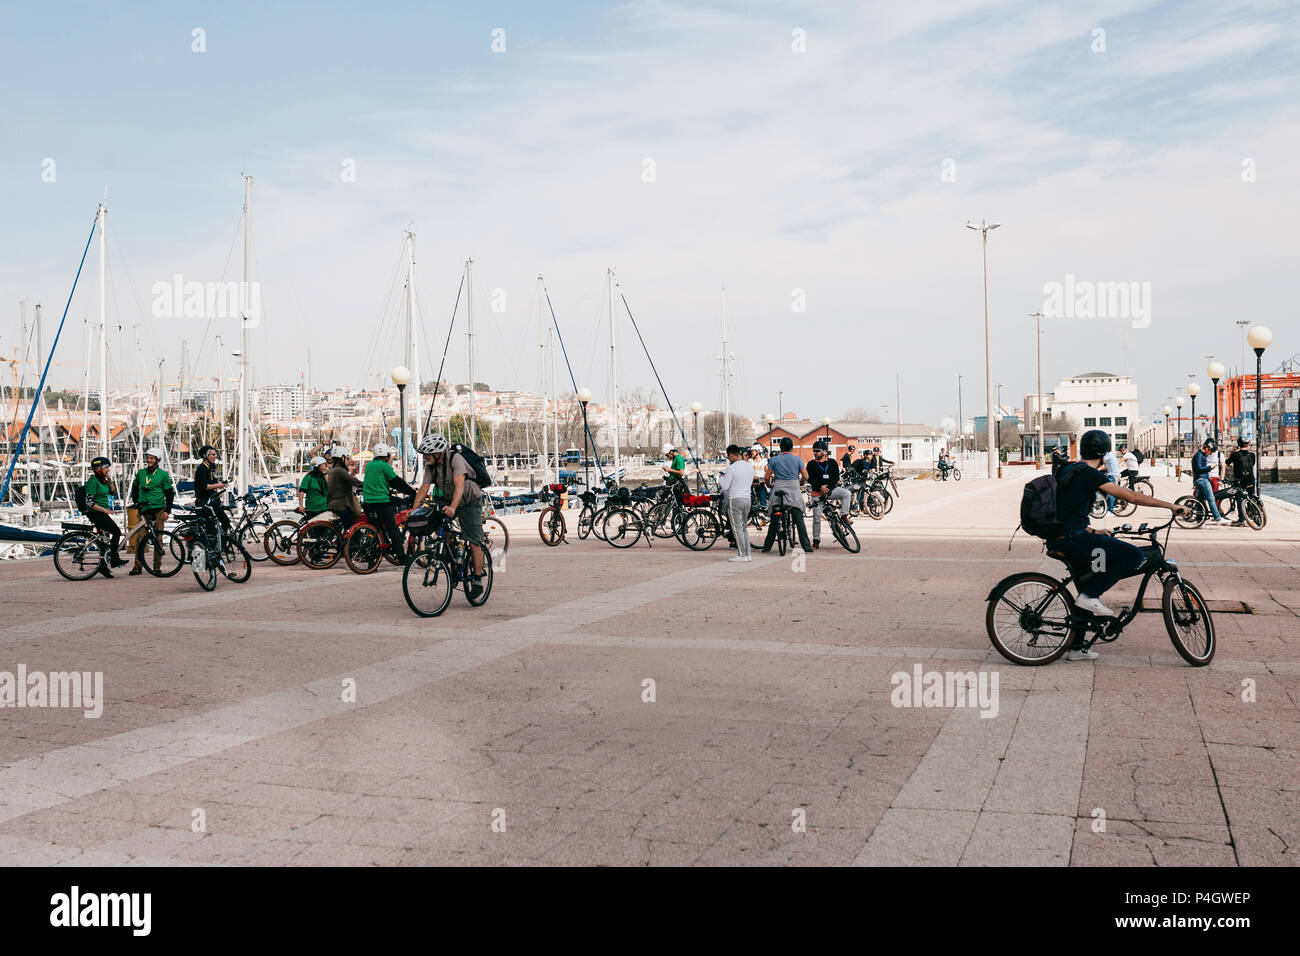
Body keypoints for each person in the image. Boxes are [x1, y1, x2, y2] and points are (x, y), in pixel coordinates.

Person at [1049, 429, 1186, 658]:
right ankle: (1090, 596)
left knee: (1091, 576)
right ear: (1103, 453)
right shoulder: (1090, 474)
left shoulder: (1069, 468)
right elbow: (1130, 496)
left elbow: (1069, 510)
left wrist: (1094, 530)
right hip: (1074, 540)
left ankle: (1077, 647)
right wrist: (1170, 506)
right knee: (1134, 556)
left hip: (1064, 536)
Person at [413, 433, 488, 600]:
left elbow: (459, 487)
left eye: (427, 454)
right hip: (446, 499)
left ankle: (477, 580)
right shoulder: (431, 465)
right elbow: (424, 488)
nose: (424, 457)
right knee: (442, 531)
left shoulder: (456, 460)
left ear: (437, 452)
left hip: (468, 500)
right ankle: (453, 557)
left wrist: (453, 508)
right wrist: (413, 511)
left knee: (474, 541)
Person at [360, 444, 416, 563]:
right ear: (387, 455)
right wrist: (413, 492)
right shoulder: (384, 466)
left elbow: (379, 481)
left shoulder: (369, 465)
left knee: (376, 528)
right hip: (382, 503)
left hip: (368, 503)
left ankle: (373, 554)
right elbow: (397, 482)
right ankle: (401, 556)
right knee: (393, 529)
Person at [759, 437, 812, 553]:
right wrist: (801, 482)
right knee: (799, 519)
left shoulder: (774, 460)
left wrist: (769, 484)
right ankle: (807, 546)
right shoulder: (798, 460)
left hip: (778, 487)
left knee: (774, 518)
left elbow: (767, 477)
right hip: (794, 489)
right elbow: (806, 476)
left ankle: (767, 547)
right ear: (792, 448)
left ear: (780, 447)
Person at [127, 447, 174, 575]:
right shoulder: (141, 473)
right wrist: (136, 502)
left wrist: (167, 511)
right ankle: (137, 567)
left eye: (152, 458)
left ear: (157, 460)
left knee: (158, 538)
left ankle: (156, 567)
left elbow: (169, 494)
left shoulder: (163, 475)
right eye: (148, 458)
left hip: (158, 509)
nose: (149, 460)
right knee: (140, 539)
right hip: (144, 510)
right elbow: (135, 488)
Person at [82, 456, 129, 577]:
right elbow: (89, 503)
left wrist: (109, 479)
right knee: (116, 532)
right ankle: (114, 559)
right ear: (98, 469)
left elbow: (112, 492)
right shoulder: (93, 481)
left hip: (101, 513)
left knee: (104, 541)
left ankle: (103, 567)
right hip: (95, 513)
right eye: (106, 468)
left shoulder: (102, 480)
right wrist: (105, 511)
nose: (108, 470)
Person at [806, 440, 852, 549]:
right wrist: (821, 487)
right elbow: (810, 479)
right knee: (816, 518)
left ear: (824, 452)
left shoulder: (832, 462)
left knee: (847, 493)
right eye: (814, 451)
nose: (815, 453)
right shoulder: (811, 464)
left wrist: (828, 488)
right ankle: (816, 540)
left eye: (817, 451)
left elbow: (835, 477)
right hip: (817, 493)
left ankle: (844, 515)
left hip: (831, 490)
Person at [720, 444, 755, 562]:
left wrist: (721, 478)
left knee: (737, 528)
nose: (728, 459)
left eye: (728, 457)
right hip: (747, 498)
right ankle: (747, 553)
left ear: (731, 454)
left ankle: (742, 554)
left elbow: (725, 486)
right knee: (744, 527)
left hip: (735, 498)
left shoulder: (732, 467)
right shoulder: (749, 466)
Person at [193, 445, 231, 535]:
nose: (215, 456)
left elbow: (211, 481)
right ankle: (222, 543)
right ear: (206, 456)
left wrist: (220, 483)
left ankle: (218, 543)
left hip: (211, 500)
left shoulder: (208, 468)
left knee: (214, 526)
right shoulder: (202, 468)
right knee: (225, 522)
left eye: (215, 454)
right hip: (206, 502)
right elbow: (204, 486)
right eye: (213, 454)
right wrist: (217, 485)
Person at [1191, 438, 1227, 524]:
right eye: (1210, 452)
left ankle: (1199, 521)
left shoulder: (1201, 455)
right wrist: (1209, 468)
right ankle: (1218, 518)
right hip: (1202, 480)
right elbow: (1198, 469)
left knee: (1200, 501)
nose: (1210, 454)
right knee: (1211, 498)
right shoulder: (1199, 455)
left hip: (1201, 479)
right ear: (1207, 448)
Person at [326, 449, 364, 524]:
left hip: (332, 504)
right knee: (352, 526)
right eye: (347, 458)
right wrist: (368, 484)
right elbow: (354, 482)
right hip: (341, 505)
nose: (348, 461)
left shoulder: (333, 470)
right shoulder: (340, 470)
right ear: (342, 458)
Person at [1225, 437, 1257, 527]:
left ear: (1238, 444)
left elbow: (1227, 462)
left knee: (1239, 499)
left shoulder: (1235, 455)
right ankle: (1254, 516)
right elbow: (1252, 464)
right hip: (1251, 479)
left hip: (1240, 480)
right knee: (1251, 497)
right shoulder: (1252, 455)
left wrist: (1233, 452)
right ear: (1248, 444)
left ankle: (1241, 520)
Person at [296, 456, 330, 520]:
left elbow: (330, 486)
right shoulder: (309, 477)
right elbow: (301, 491)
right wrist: (301, 505)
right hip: (314, 508)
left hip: (324, 507)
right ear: (319, 466)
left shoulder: (325, 476)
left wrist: (325, 473)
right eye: (325, 464)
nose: (326, 466)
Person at [1102, 447, 1122, 514]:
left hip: (1113, 475)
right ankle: (1105, 505)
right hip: (1112, 474)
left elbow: (1101, 462)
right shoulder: (1110, 454)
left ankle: (1110, 511)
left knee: (1110, 492)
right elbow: (1106, 465)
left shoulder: (1107, 455)